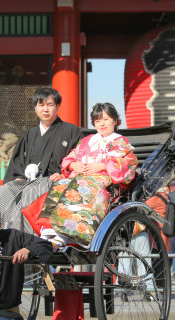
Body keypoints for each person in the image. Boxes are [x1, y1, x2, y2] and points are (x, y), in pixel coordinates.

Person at [39, 102, 137, 247]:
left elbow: (128, 163)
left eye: (106, 119)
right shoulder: (86, 141)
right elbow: (70, 158)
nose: (102, 124)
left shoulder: (121, 142)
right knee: (60, 185)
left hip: (105, 181)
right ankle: (52, 230)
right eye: (98, 121)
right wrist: (73, 165)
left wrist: (103, 165)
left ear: (115, 121)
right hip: (80, 176)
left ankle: (74, 232)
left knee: (84, 187)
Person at [0, 87, 85, 230]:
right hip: (30, 181)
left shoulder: (71, 131)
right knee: (6, 190)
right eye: (41, 105)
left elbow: (78, 160)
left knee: (31, 191)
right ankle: (5, 231)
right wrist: (18, 177)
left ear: (57, 106)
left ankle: (26, 237)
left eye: (50, 105)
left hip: (56, 182)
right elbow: (17, 163)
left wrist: (64, 174)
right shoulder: (29, 135)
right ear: (35, 108)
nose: (45, 109)